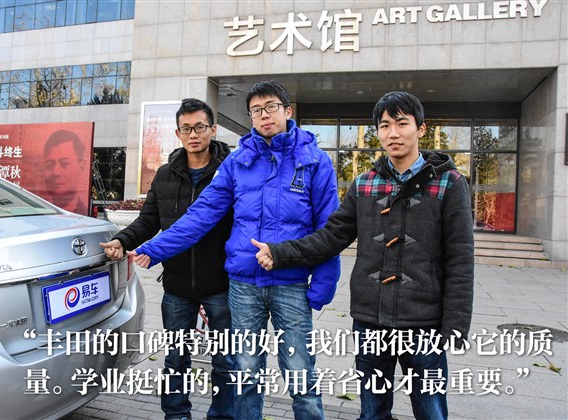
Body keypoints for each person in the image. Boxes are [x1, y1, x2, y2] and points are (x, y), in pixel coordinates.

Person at [253, 91, 474, 420]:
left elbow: (460, 259)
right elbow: (330, 237)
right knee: (372, 412)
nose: (393, 133)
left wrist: (455, 325)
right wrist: (280, 253)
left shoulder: (449, 183)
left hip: (423, 323)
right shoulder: (364, 184)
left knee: (431, 411)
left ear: (421, 129)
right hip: (371, 321)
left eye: (402, 124)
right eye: (384, 126)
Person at [129, 81, 341, 419]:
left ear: (287, 111)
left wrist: (324, 283)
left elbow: (329, 228)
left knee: (300, 372)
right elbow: (201, 214)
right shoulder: (237, 162)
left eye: (271, 107)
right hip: (243, 287)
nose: (264, 115)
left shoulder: (314, 161)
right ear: (250, 118)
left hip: (290, 284)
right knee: (245, 372)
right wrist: (156, 249)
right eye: (256, 110)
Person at [99, 98, 235, 420]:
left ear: (213, 129)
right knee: (176, 358)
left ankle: (222, 416)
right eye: (186, 128)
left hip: (221, 284)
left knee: (226, 360)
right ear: (177, 133)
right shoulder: (165, 175)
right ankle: (176, 415)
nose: (193, 134)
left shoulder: (230, 172)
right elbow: (149, 220)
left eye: (200, 127)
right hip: (177, 285)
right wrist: (122, 240)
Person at [43, 129, 88, 214]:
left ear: (81, 166)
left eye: (64, 164)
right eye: (50, 165)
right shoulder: (36, 213)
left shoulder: (84, 217)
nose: (56, 172)